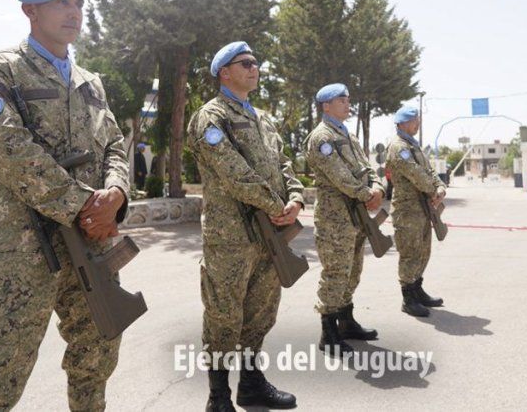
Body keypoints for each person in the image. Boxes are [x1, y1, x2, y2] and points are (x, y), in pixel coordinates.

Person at [0, 0, 130, 411]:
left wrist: (116, 193)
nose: (74, 12)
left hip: (91, 249)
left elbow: (113, 144)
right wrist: (84, 205)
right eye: (61, 2)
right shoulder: (1, 71)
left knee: (95, 364)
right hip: (23, 252)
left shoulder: (91, 83)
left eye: (78, 3)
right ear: (30, 10)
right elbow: (10, 150)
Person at [187, 41, 303, 412]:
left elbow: (284, 166)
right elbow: (234, 172)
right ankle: (218, 396)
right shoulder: (211, 117)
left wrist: (296, 200)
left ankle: (251, 384)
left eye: (256, 63)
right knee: (224, 315)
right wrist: (276, 206)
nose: (255, 68)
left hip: (269, 234)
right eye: (246, 63)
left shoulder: (264, 118)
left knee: (261, 312)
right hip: (230, 236)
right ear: (225, 72)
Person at [303, 83, 384, 355]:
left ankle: (347, 322)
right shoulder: (322, 138)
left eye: (348, 99)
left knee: (353, 271)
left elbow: (367, 167)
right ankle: (329, 332)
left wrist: (378, 187)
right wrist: (366, 193)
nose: (348, 104)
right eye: (341, 100)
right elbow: (339, 175)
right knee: (336, 272)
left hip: (356, 215)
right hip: (334, 218)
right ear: (326, 106)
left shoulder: (348, 135)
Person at [385, 105, 446, 318]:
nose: (417, 124)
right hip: (407, 210)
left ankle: (417, 289)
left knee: (423, 251)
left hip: (422, 209)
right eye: (414, 121)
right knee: (410, 253)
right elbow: (415, 173)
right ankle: (408, 298)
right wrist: (432, 190)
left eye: (418, 120)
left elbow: (429, 170)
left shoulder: (414, 145)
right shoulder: (398, 146)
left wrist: (439, 187)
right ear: (402, 123)